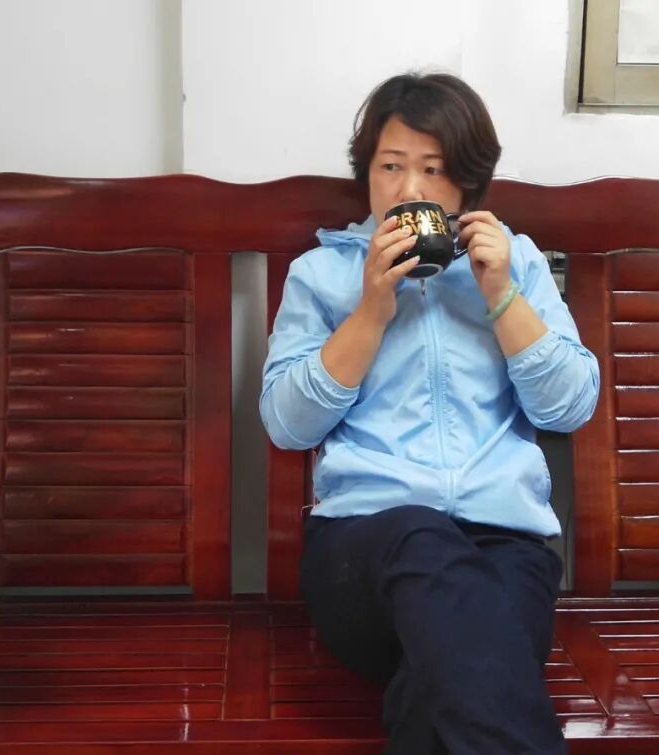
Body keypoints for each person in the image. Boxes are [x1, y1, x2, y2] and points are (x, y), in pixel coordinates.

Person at [260, 72, 599, 755]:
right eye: (390, 167)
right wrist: (370, 311)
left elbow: (568, 406)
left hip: (504, 551)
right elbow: (288, 424)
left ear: (467, 184)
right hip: (365, 556)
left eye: (433, 170)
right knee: (423, 542)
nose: (408, 189)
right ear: (367, 174)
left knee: (441, 682)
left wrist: (501, 293)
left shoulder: (517, 265)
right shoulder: (320, 274)